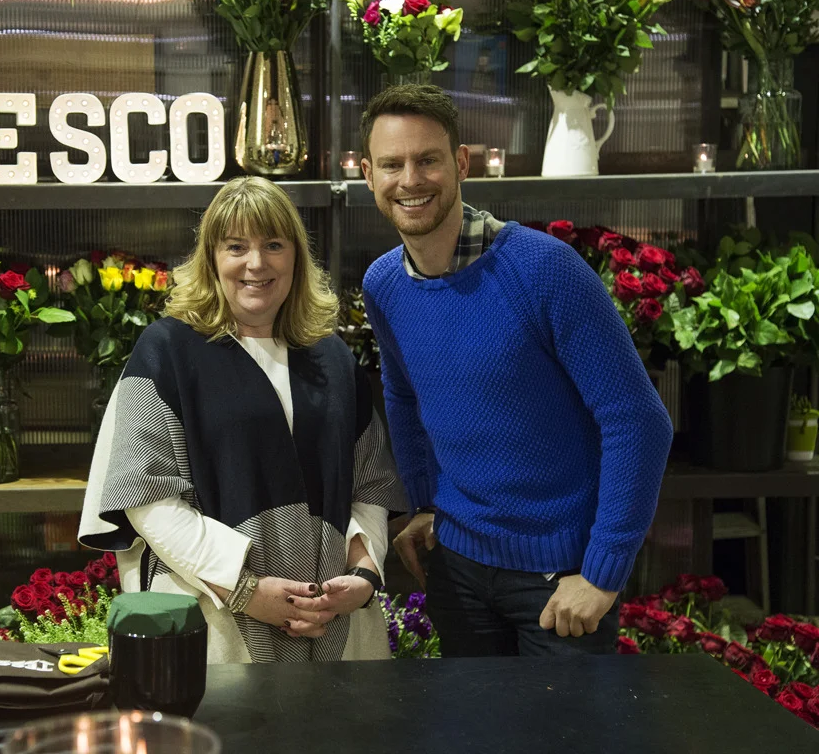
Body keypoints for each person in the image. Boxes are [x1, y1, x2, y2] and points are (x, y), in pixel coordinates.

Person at [357, 85, 674, 657]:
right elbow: (403, 397)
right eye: (391, 164)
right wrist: (425, 503)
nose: (410, 180)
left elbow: (638, 421)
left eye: (428, 160)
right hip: (457, 568)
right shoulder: (383, 284)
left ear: (461, 163)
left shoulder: (544, 269)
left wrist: (602, 573)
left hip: (559, 577)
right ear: (367, 174)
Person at [78, 176, 408, 663]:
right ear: (211, 258)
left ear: (296, 256)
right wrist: (246, 589)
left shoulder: (332, 359)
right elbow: (147, 497)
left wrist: (362, 575)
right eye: (236, 247)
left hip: (333, 623)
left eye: (273, 245)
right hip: (214, 624)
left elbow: (371, 485)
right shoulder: (168, 351)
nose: (256, 263)